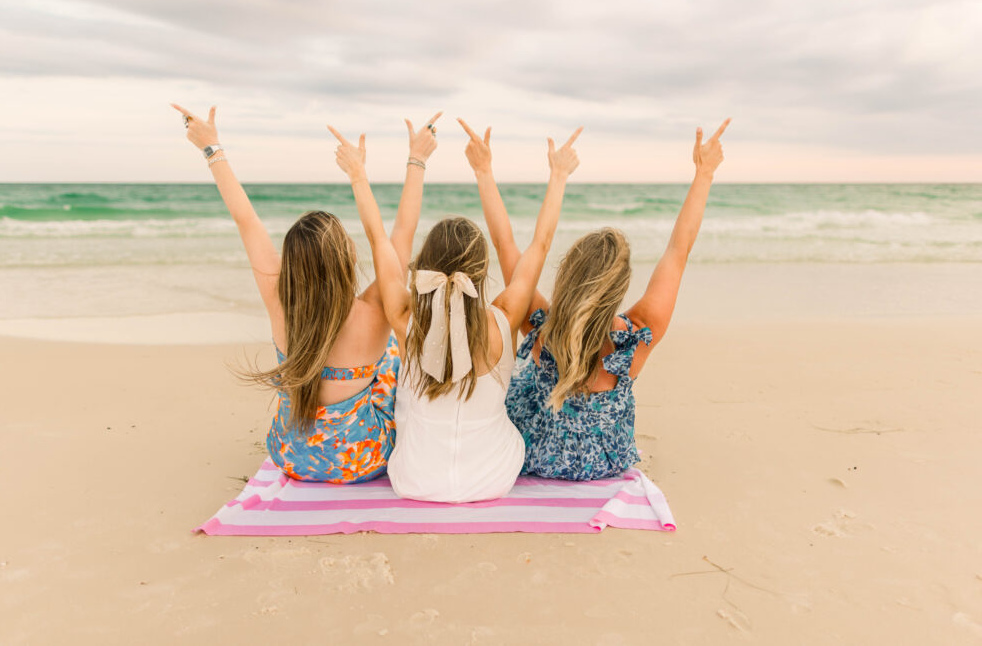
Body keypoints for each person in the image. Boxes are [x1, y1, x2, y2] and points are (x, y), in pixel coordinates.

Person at [172, 103, 440, 483]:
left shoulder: (280, 303)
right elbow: (398, 237)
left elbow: (246, 220)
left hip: (291, 456)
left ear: (291, 265)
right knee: (395, 351)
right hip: (362, 462)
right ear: (347, 259)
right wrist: (412, 160)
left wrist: (211, 148)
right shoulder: (375, 310)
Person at [461, 117, 731, 480]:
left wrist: (485, 171)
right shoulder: (637, 335)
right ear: (618, 290)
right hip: (603, 465)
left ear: (567, 276)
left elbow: (505, 244)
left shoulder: (539, 324)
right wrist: (704, 174)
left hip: (536, 455)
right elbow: (678, 251)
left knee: (522, 379)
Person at [329, 121, 582, 502]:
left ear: (426, 265)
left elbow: (380, 237)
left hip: (413, 480)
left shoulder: (405, 316)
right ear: (481, 273)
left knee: (392, 373)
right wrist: (551, 174)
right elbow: (536, 245)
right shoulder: (505, 316)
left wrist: (363, 174)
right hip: (493, 477)